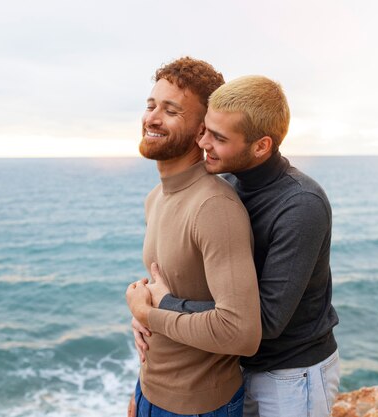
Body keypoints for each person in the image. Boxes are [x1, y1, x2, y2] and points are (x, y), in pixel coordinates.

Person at [134, 75, 340, 416]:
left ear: (261, 146)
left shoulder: (301, 205)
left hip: (290, 374)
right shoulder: (228, 179)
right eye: (205, 130)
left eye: (218, 137)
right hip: (235, 366)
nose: (204, 143)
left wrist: (161, 308)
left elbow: (267, 321)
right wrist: (144, 306)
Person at [125, 58, 261, 417]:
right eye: (151, 105)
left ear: (202, 130)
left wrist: (146, 313)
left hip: (198, 407)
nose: (152, 118)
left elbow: (241, 333)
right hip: (149, 393)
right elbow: (172, 282)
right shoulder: (156, 198)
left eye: (170, 111)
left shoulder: (214, 206)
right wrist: (141, 391)